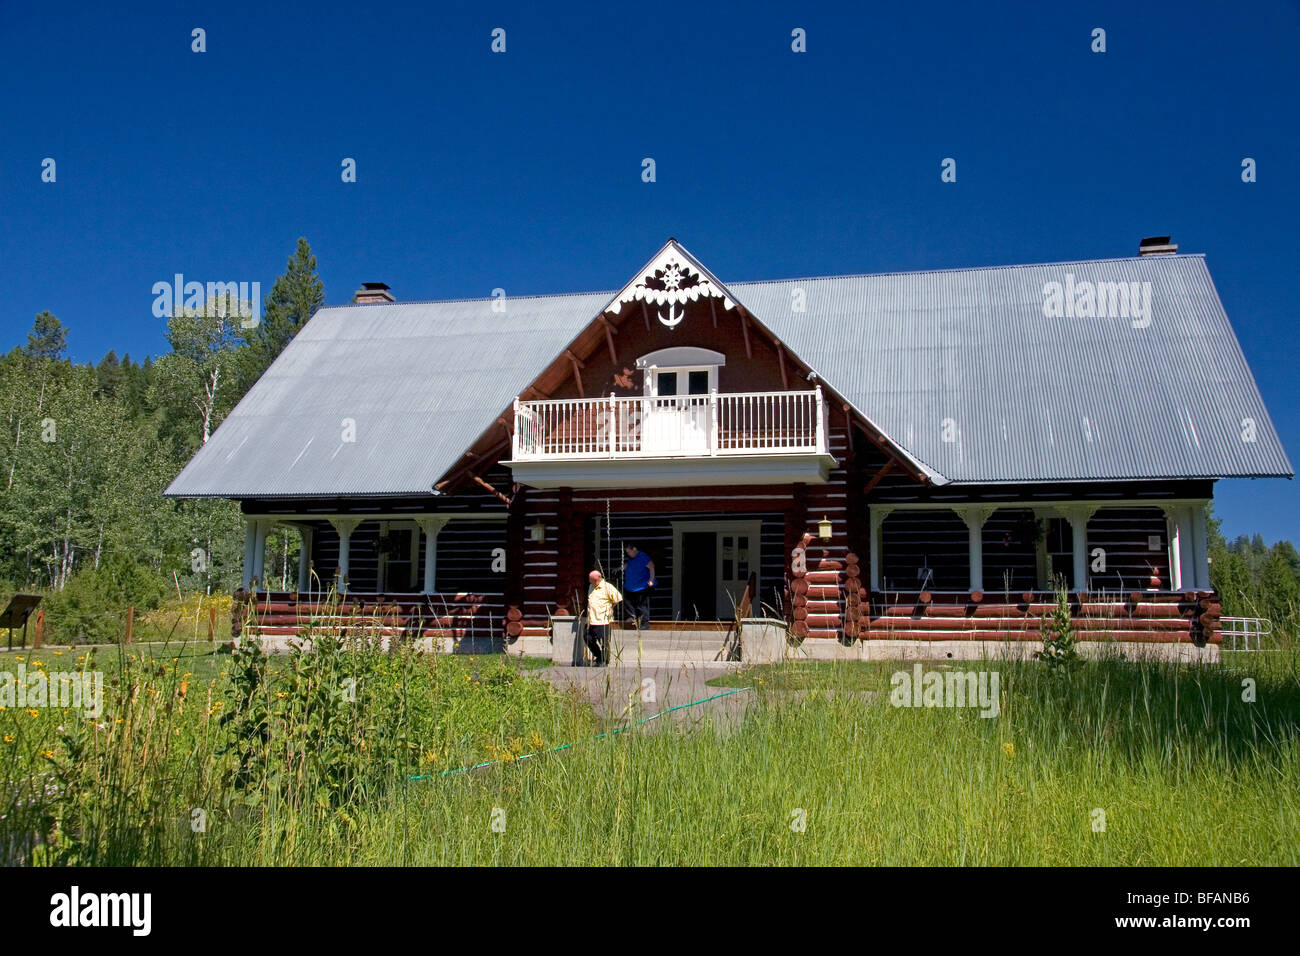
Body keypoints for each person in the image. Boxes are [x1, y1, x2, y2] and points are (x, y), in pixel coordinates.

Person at [585, 569, 622, 666]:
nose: (589, 581)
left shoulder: (607, 587)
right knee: (587, 638)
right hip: (591, 619)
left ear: (597, 580)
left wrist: (611, 608)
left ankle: (604, 661)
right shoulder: (591, 587)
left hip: (603, 619)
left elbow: (618, 598)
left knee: (604, 642)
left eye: (591, 580)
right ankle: (599, 656)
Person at [621, 544, 655, 630]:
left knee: (641, 605)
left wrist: (651, 580)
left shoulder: (642, 556)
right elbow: (628, 565)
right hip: (631, 586)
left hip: (641, 586)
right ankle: (632, 617)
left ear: (634, 549)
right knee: (627, 602)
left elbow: (651, 567)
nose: (628, 553)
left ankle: (644, 624)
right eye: (627, 552)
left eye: (629, 551)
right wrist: (619, 568)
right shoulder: (632, 559)